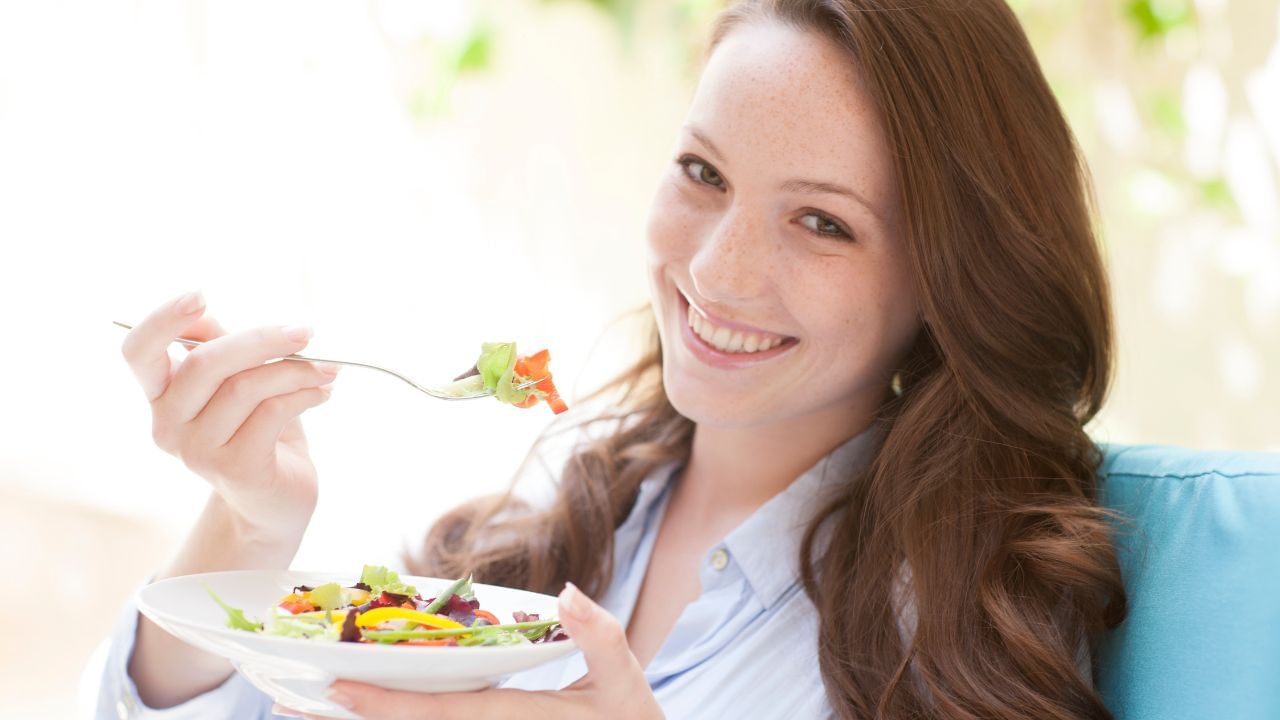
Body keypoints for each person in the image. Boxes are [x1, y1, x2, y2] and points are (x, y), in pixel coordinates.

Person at [98, 1, 1130, 718]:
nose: (718, 272)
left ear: (946, 276)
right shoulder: (540, 539)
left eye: (820, 222)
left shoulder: (962, 609)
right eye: (701, 172)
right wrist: (249, 520)